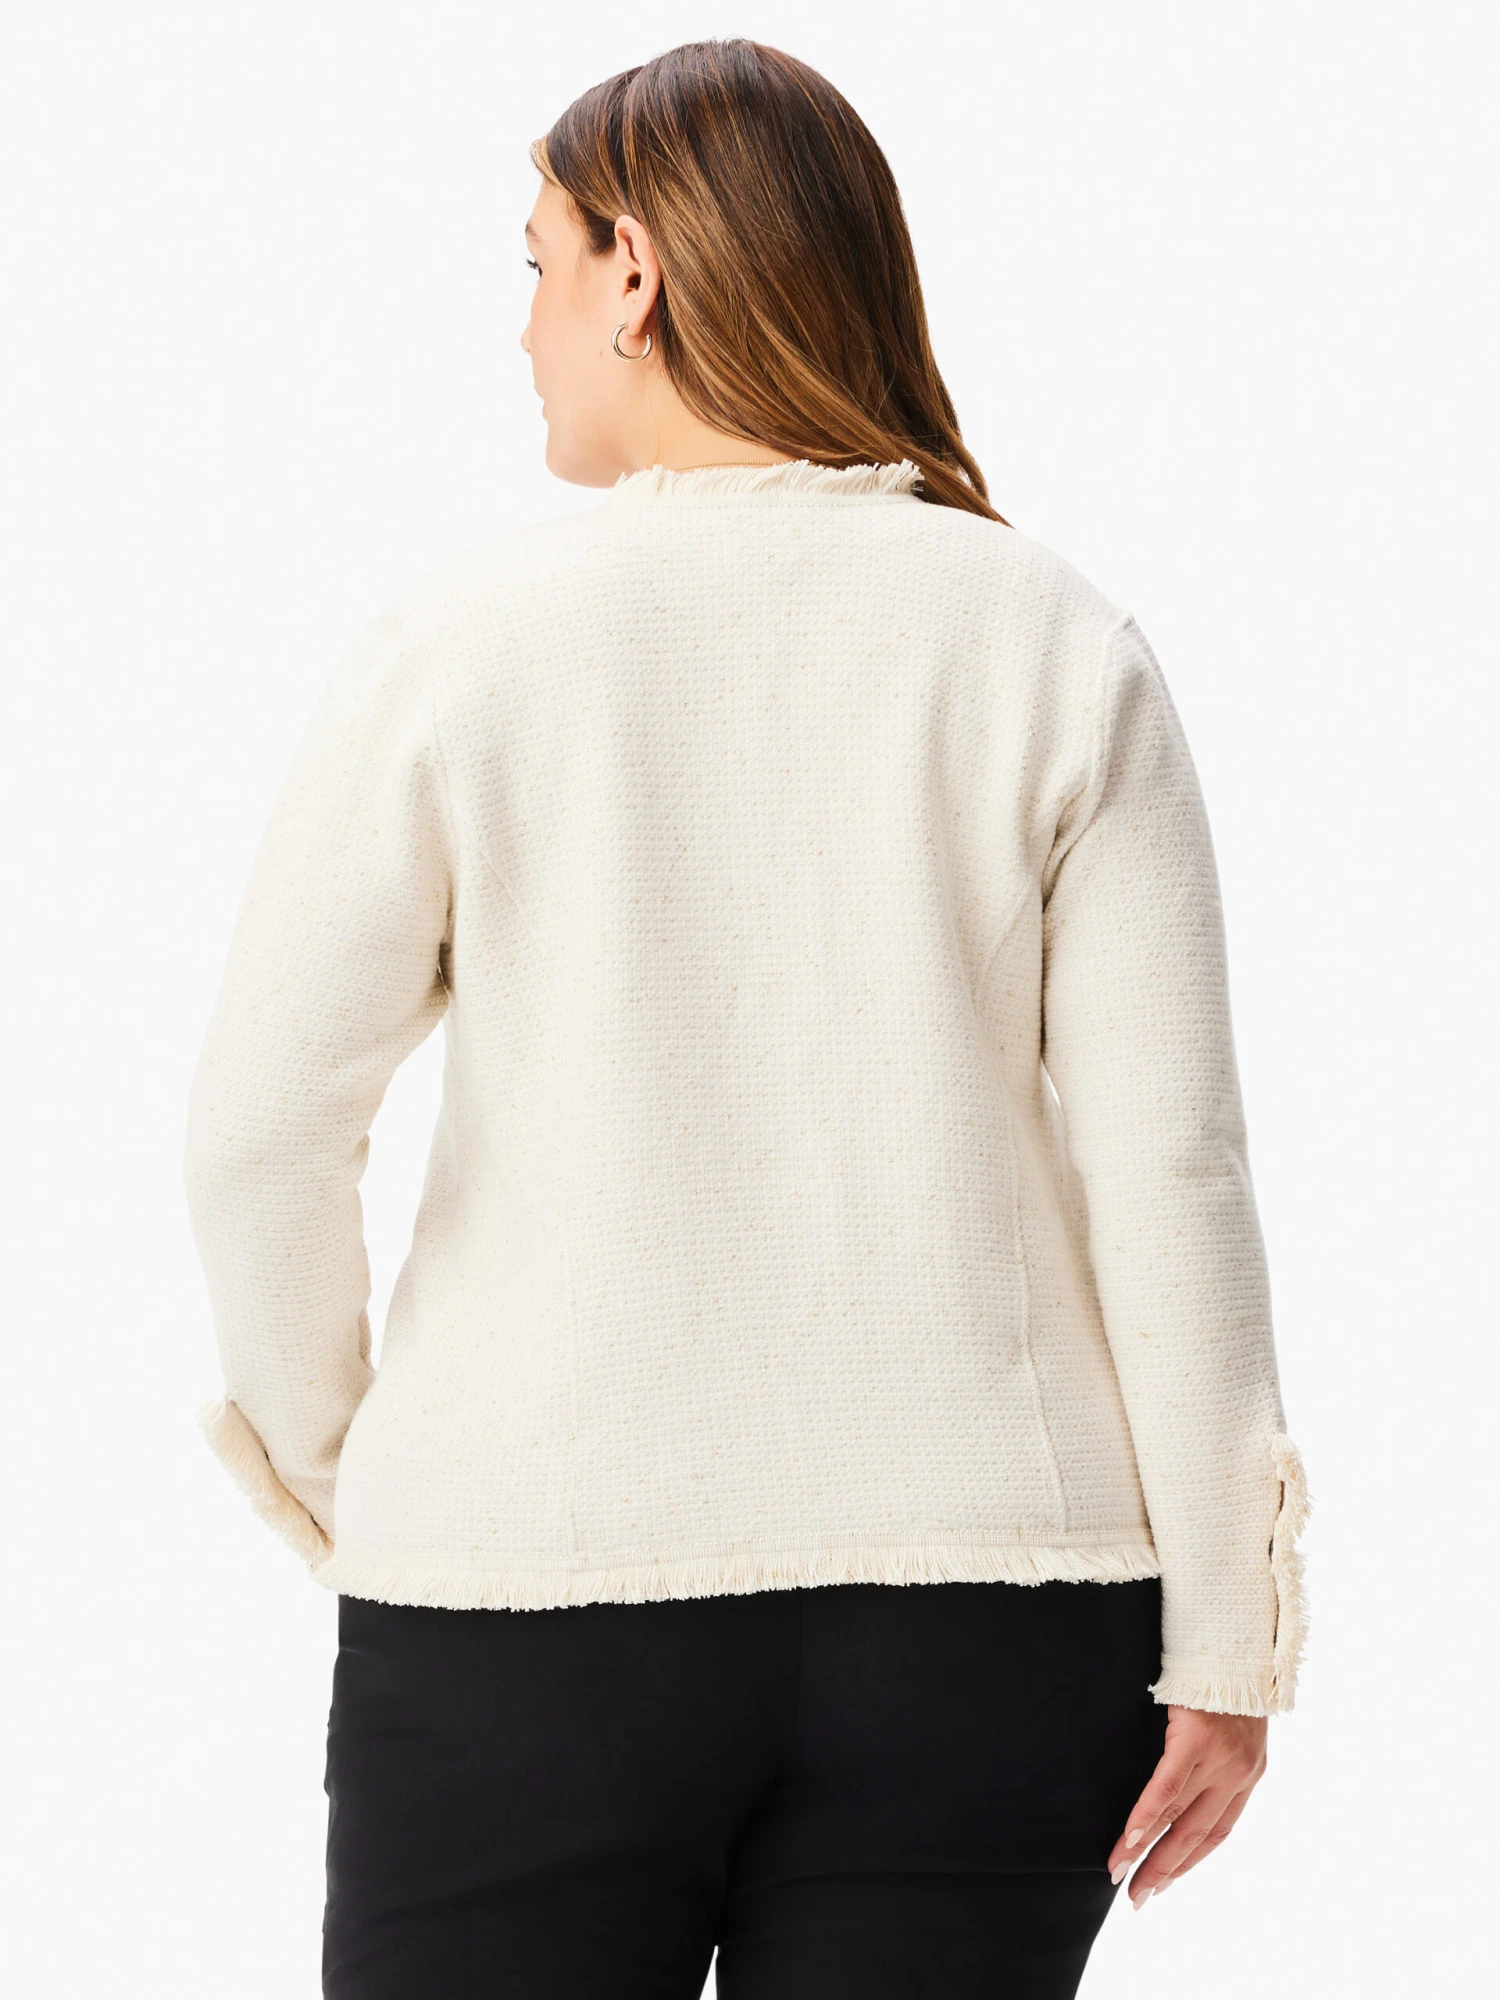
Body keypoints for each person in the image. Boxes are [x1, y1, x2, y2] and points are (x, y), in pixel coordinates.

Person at [183, 36, 1310, 2000]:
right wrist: (1229, 1634)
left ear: (634, 272)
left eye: (537, 266)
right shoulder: (1057, 642)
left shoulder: (460, 650)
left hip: (525, 1604)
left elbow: (262, 1133)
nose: (523, 328)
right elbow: (1173, 1172)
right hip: (991, 1616)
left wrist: (373, 1482)